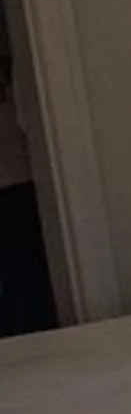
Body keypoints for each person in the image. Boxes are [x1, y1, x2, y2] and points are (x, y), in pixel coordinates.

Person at [0, 36, 55, 335]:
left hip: (17, 193)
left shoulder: (13, 112)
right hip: (20, 192)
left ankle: (17, 327)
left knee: (15, 268)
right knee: (27, 264)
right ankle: (30, 324)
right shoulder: (15, 113)